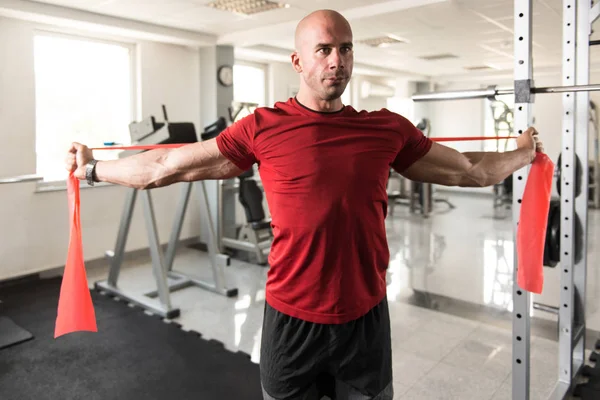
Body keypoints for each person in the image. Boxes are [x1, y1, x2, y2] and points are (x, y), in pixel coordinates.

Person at [65, 9, 544, 400]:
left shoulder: (387, 129)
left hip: (365, 319)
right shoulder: (262, 127)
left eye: (346, 48)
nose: (337, 60)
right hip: (291, 320)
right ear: (298, 61)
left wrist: (523, 152)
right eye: (324, 50)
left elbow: (468, 169)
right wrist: (91, 169)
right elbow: (161, 168)